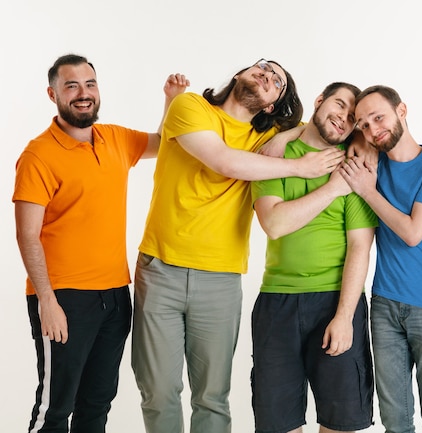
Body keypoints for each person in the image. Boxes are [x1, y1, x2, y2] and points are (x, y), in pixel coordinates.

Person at [131, 59, 346, 433]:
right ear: (238, 75)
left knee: (212, 397)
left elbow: (313, 128)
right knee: (158, 391)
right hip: (161, 270)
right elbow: (223, 160)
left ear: (271, 106)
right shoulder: (191, 107)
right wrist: (299, 167)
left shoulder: (264, 140)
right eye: (263, 68)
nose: (267, 75)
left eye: (277, 81)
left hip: (221, 280)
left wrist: (283, 135)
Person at [13, 53, 188, 433]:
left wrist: (171, 101)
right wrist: (47, 300)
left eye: (89, 84)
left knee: (97, 403)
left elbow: (162, 144)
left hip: (114, 295)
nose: (82, 93)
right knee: (55, 408)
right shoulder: (37, 154)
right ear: (52, 93)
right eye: (70, 85)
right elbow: (27, 234)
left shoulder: (114, 139)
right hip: (65, 297)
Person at [250, 82, 377, 433]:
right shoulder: (275, 156)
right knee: (278, 423)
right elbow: (274, 224)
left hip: (336, 301)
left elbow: (360, 248)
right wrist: (334, 188)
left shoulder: (356, 165)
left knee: (342, 423)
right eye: (339, 104)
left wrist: (345, 317)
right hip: (277, 303)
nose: (343, 117)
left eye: (352, 117)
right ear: (319, 101)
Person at [340, 85, 422, 433]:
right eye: (363, 124)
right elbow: (326, 129)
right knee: (394, 421)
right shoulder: (371, 161)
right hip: (384, 306)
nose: (372, 128)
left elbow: (413, 233)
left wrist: (367, 190)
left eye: (378, 117)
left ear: (402, 110)